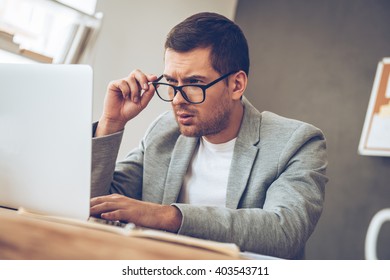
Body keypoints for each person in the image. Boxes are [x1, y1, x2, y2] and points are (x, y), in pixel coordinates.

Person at [89, 12, 328, 259]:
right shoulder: (165, 131)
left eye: (194, 83)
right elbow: (96, 202)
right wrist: (111, 122)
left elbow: (284, 232)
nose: (178, 99)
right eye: (171, 82)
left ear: (236, 85)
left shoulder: (297, 142)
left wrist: (167, 215)